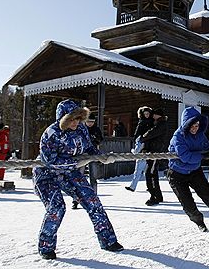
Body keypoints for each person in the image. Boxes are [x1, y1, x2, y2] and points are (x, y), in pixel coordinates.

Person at [33, 99, 123, 260]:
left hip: (70, 171)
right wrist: (80, 162)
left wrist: (99, 156)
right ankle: (46, 247)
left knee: (92, 201)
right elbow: (51, 162)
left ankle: (108, 241)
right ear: (63, 119)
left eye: (78, 118)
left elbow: (88, 148)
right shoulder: (51, 134)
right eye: (71, 119)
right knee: (57, 207)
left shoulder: (81, 129)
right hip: (46, 174)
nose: (75, 122)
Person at [72, 113, 104, 209]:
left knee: (93, 177)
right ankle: (76, 199)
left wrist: (96, 139)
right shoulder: (81, 129)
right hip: (82, 155)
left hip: (93, 155)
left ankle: (94, 199)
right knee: (78, 177)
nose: (90, 123)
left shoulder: (96, 129)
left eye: (92, 122)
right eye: (89, 121)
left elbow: (100, 140)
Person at [141, 108, 169, 206]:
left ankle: (154, 196)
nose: (152, 116)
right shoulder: (157, 123)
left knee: (150, 173)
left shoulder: (161, 124)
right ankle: (158, 195)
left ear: (158, 115)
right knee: (152, 173)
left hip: (155, 152)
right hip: (153, 151)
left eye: (154, 114)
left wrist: (143, 137)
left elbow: (152, 133)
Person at [125, 107, 153, 192]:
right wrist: (136, 139)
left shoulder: (151, 122)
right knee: (141, 169)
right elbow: (137, 133)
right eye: (145, 114)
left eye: (148, 114)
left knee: (145, 170)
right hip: (142, 145)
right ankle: (135, 186)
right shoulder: (142, 122)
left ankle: (148, 186)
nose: (147, 115)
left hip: (146, 147)